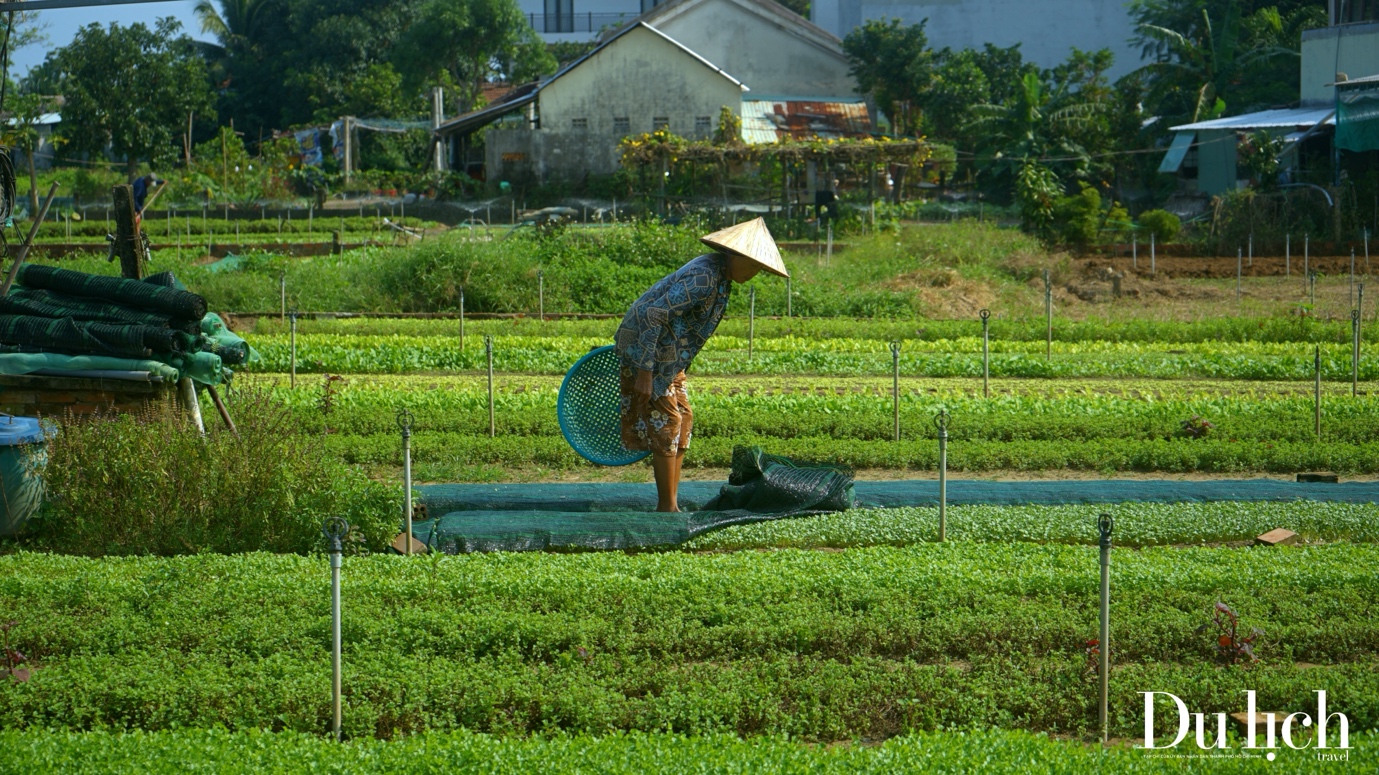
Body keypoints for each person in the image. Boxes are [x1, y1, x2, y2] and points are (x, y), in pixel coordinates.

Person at [614, 217, 789, 512]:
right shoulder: (705, 277)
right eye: (755, 267)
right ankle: (666, 506)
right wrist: (645, 372)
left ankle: (671, 502)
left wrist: (679, 366)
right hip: (646, 348)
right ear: (739, 257)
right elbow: (653, 315)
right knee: (668, 422)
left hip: (667, 355)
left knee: (683, 418)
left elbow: (690, 327)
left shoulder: (721, 278)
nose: (755, 274)